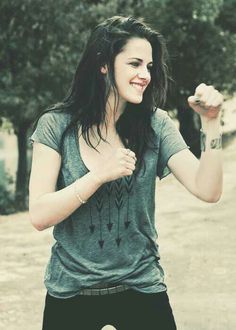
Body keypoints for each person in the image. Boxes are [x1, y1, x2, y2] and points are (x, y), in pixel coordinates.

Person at [28, 16, 223, 330]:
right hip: (71, 289)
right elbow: (39, 214)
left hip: (141, 284)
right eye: (135, 63)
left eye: (149, 66)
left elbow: (208, 190)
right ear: (104, 64)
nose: (145, 75)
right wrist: (97, 175)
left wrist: (212, 122)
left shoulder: (156, 124)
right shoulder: (56, 125)